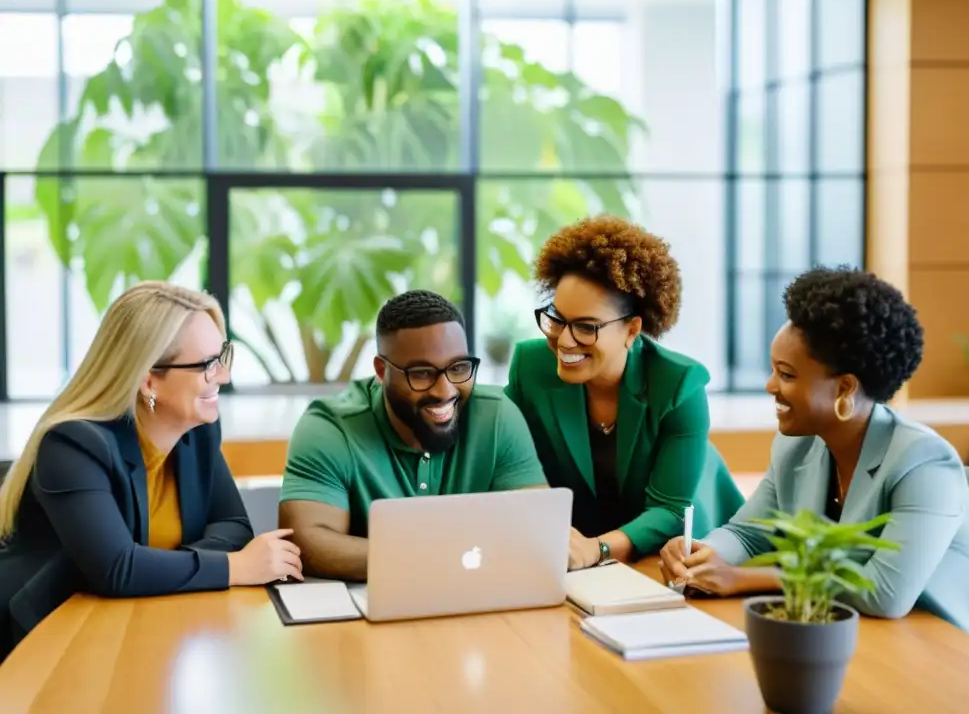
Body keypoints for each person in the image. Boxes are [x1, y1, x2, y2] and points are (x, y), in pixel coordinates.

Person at [659, 266, 969, 664]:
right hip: (884, 646)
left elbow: (884, 593)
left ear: (845, 387)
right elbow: (748, 535)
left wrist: (741, 579)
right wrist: (703, 554)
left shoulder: (924, 462)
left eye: (786, 374)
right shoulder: (796, 447)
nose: (770, 386)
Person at [0, 282, 303, 662]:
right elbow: (118, 569)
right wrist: (233, 566)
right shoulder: (73, 445)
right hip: (45, 642)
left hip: (137, 626)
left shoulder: (198, 430)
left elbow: (234, 525)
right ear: (148, 380)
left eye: (224, 355)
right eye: (208, 364)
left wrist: (161, 567)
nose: (223, 376)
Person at [504, 215, 745, 571]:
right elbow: (512, 462)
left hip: (673, 557)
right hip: (576, 554)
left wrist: (596, 550)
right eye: (557, 319)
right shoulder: (530, 366)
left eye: (586, 327)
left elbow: (671, 511)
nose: (564, 341)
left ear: (632, 330)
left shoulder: (680, 385)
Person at [279, 290, 548, 582]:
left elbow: (536, 530)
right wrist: (443, 557)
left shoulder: (497, 417)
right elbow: (307, 544)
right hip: (368, 613)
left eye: (458, 368)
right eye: (421, 373)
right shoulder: (330, 429)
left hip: (479, 602)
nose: (445, 391)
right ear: (382, 371)